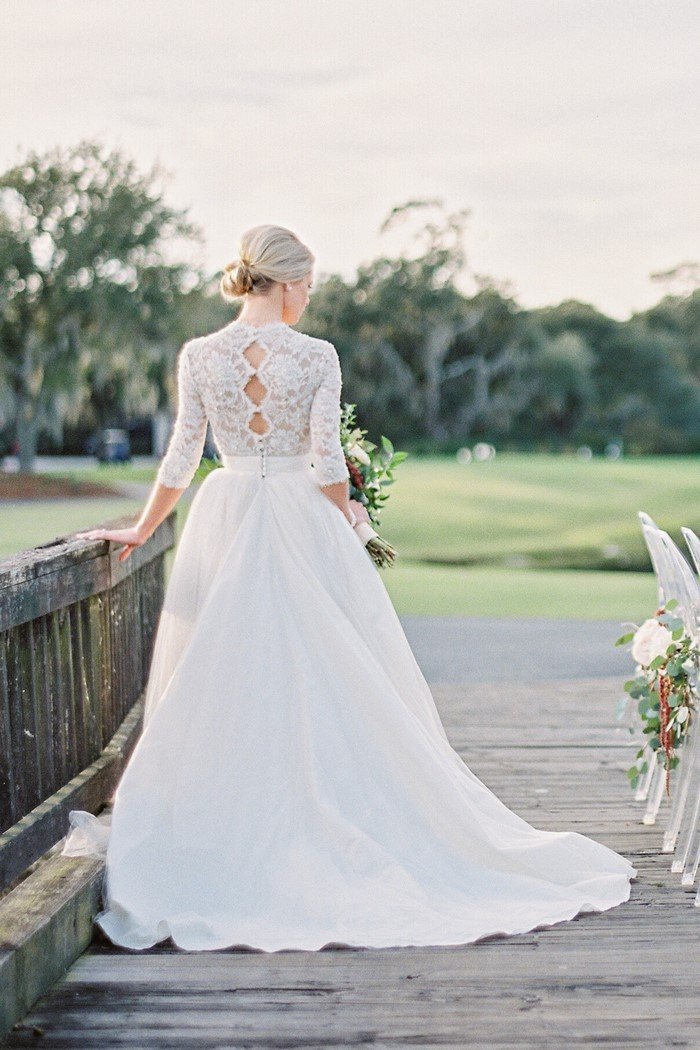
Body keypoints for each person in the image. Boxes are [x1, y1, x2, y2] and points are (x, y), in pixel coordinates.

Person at [62, 224, 637, 952]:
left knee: (224, 674)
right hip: (299, 518)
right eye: (309, 285)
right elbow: (327, 460)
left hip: (227, 511)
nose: (309, 297)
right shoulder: (316, 356)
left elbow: (182, 454)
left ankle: (223, 824)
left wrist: (143, 530)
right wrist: (349, 516)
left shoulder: (200, 355)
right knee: (325, 670)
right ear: (291, 282)